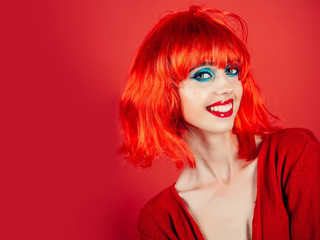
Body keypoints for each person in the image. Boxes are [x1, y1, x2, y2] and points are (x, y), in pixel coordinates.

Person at [119, 6, 320, 240]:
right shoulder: (160, 221)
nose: (227, 87)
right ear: (164, 93)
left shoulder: (294, 155)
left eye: (231, 70)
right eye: (203, 74)